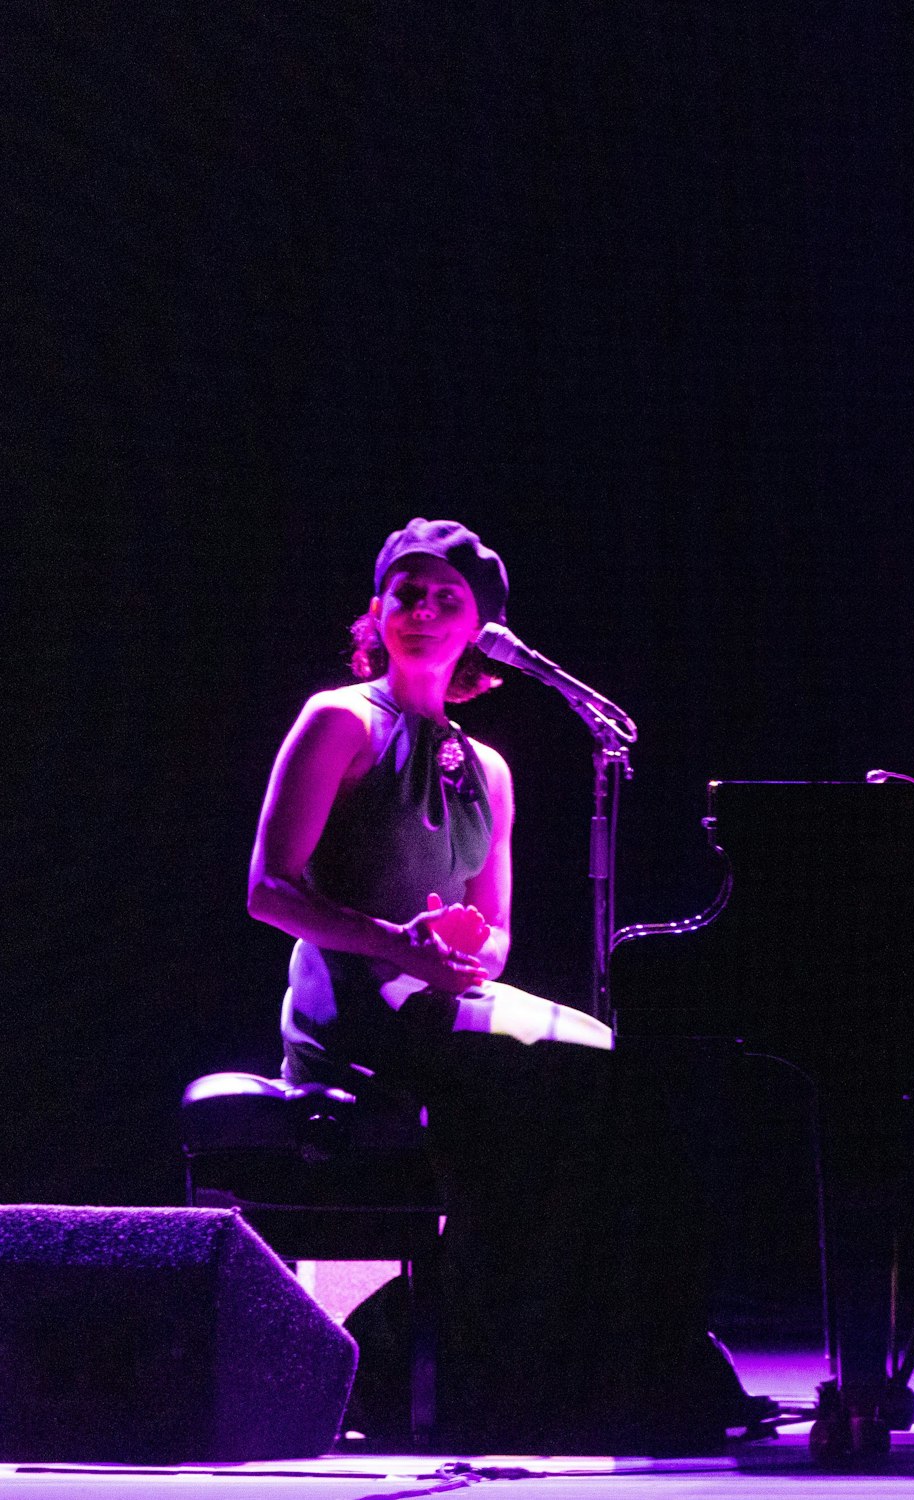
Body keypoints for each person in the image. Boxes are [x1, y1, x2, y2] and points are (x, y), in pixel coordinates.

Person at [248, 518, 751, 1452]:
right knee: (551, 1086)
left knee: (623, 1073)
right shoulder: (338, 721)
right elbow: (269, 890)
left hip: (438, 999)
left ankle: (618, 1360)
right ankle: (485, 1366)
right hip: (357, 1016)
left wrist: (468, 949)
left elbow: (499, 933)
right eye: (408, 593)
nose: (424, 612)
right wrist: (399, 944)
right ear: (377, 608)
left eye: (448, 600)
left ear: (482, 629)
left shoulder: (490, 768)